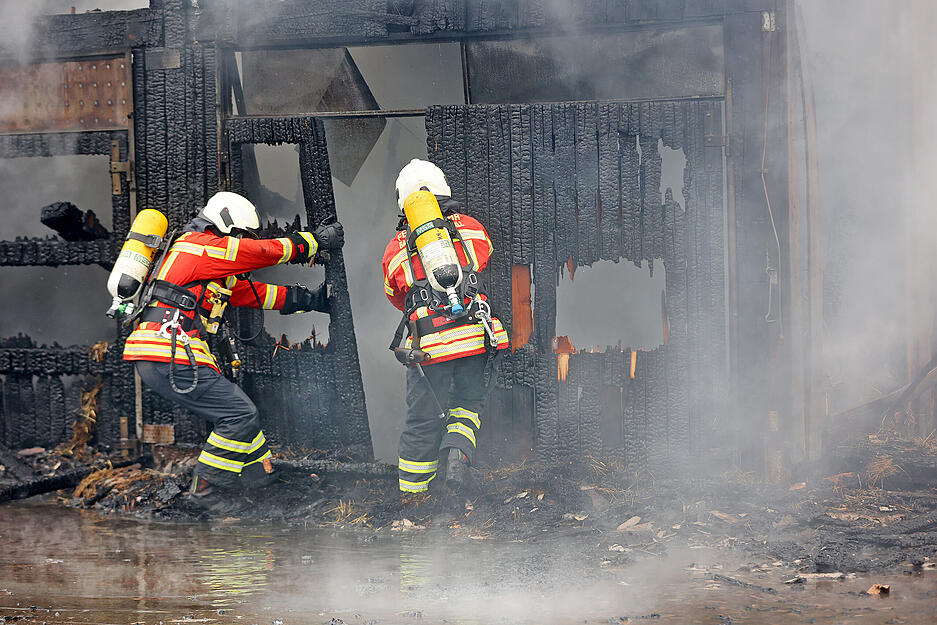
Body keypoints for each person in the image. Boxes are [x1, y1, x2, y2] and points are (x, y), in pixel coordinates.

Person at [122, 191, 344, 511]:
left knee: (241, 414)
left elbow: (252, 294)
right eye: (241, 236)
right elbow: (261, 252)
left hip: (162, 355)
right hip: (168, 353)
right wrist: (313, 241)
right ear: (226, 225)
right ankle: (207, 491)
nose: (243, 243)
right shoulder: (199, 245)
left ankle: (260, 478)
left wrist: (309, 300)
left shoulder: (206, 265)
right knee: (238, 415)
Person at [382, 159, 509, 495]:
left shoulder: (396, 248)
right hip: (474, 337)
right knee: (468, 403)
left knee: (422, 420)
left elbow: (395, 295)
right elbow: (486, 253)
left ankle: (413, 496)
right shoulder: (470, 228)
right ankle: (456, 454)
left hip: (430, 348)